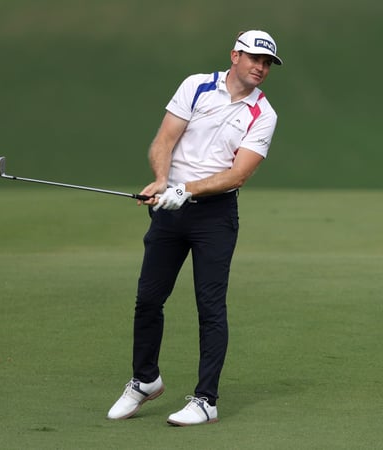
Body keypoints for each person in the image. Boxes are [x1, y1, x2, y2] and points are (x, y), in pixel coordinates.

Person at [107, 30, 282, 426]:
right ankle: (145, 380)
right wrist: (161, 180)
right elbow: (164, 141)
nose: (260, 67)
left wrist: (185, 189)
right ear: (235, 55)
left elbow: (238, 175)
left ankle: (206, 400)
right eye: (255, 58)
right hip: (170, 211)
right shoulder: (196, 86)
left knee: (210, 307)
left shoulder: (264, 114)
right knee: (148, 299)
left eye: (267, 63)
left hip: (215, 217)